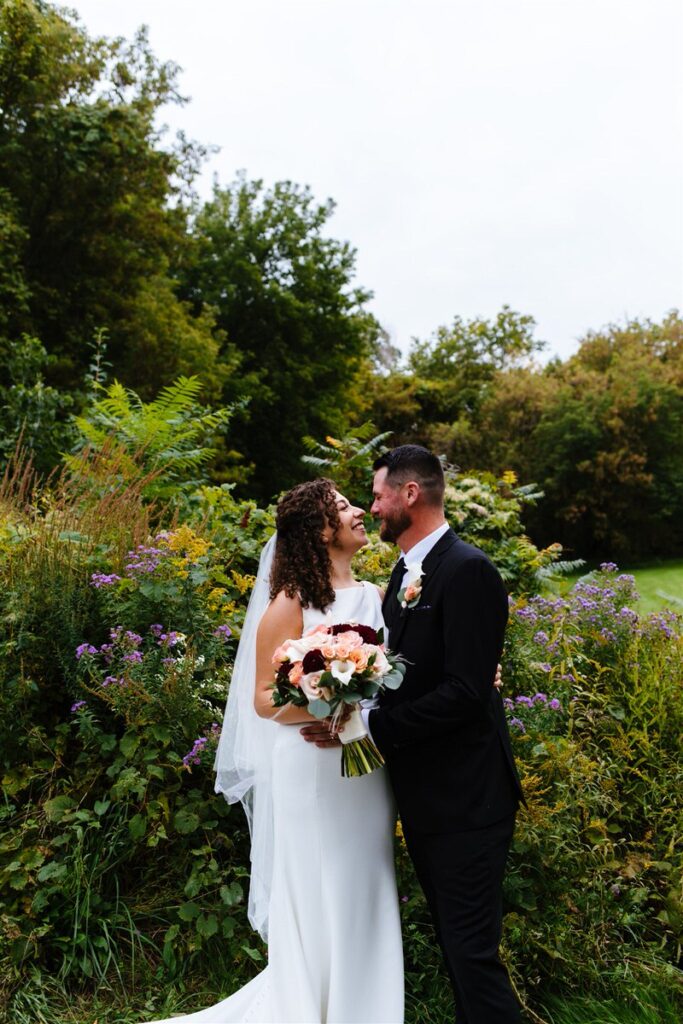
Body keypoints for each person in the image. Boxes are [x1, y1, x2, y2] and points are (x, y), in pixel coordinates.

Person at [147, 478, 404, 1023]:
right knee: (316, 879)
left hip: (362, 764)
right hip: (308, 765)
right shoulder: (292, 604)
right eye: (342, 507)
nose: (358, 511)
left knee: (364, 875)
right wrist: (327, 705)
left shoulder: (376, 597)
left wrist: (354, 711)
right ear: (320, 530)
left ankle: (366, 1005)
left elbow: (394, 680)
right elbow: (263, 700)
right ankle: (307, 1004)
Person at [305, 445, 525, 1023]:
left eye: (377, 495)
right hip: (427, 799)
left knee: (473, 953)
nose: (372, 507)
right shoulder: (404, 573)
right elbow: (403, 674)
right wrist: (346, 713)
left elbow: (464, 692)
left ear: (409, 494)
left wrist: (371, 727)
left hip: (468, 799)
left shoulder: (469, 568)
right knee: (458, 950)